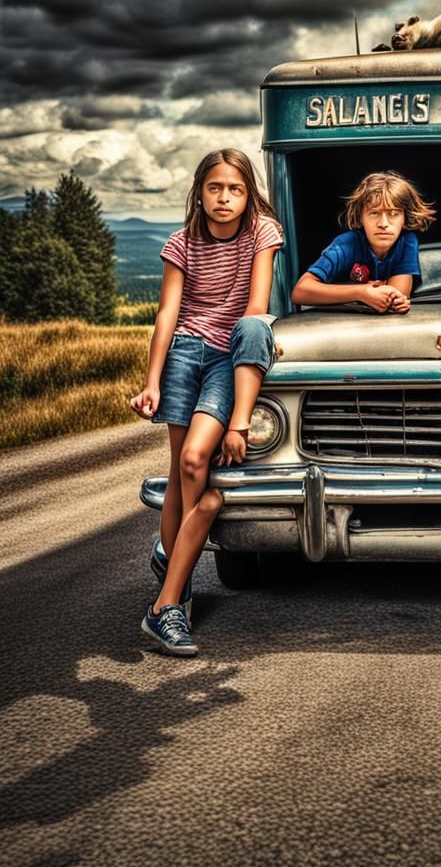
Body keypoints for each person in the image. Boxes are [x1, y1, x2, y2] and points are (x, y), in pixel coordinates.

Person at [131, 149, 283, 656]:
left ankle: (167, 586)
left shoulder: (262, 233)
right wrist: (152, 382)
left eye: (235, 189)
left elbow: (256, 309)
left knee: (198, 460)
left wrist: (239, 421)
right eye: (215, 188)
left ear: (248, 195)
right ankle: (173, 601)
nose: (224, 198)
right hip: (183, 354)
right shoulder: (182, 243)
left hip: (224, 358)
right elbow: (167, 315)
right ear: (200, 192)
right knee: (180, 471)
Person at [291, 170, 435, 310]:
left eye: (393, 213)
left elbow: (396, 296)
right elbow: (300, 291)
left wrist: (389, 299)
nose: (383, 223)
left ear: (405, 218)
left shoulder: (407, 241)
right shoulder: (345, 245)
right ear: (361, 217)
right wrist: (361, 292)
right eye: (374, 213)